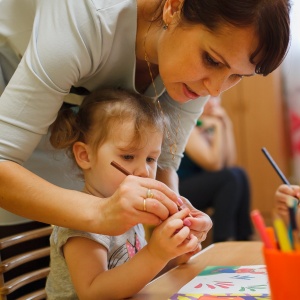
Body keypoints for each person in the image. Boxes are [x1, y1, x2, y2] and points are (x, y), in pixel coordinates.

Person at [0, 1, 291, 243]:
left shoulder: (197, 67)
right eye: (212, 61)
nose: (214, 89)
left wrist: (178, 214)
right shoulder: (89, 17)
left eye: (237, 76)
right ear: (174, 7)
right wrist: (101, 213)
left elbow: (164, 164)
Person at [45, 88, 200, 299]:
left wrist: (173, 255)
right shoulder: (80, 221)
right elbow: (94, 292)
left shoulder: (129, 209)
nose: (145, 171)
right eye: (128, 156)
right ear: (85, 155)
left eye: (150, 159)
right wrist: (156, 253)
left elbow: (133, 276)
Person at [178, 96, 253, 242]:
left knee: (239, 173)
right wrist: (218, 127)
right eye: (208, 99)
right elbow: (214, 165)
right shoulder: (187, 124)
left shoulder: (207, 125)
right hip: (180, 188)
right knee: (229, 178)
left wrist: (226, 124)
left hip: (202, 184)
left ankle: (243, 237)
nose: (213, 104)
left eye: (216, 99)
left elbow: (229, 163)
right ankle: (223, 239)